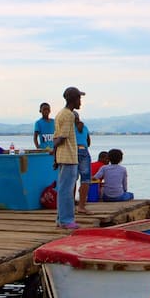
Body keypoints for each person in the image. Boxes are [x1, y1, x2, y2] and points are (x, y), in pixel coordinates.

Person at [53, 87, 84, 229]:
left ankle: (61, 219)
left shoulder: (60, 114)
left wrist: (55, 157)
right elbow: (62, 137)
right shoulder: (69, 115)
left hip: (62, 157)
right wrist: (53, 149)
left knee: (63, 189)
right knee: (67, 191)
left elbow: (56, 136)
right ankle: (66, 220)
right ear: (73, 99)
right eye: (79, 99)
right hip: (69, 157)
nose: (80, 102)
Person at [74, 112, 91, 214]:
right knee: (85, 180)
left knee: (72, 179)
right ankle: (81, 206)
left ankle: (71, 205)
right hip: (83, 150)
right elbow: (88, 142)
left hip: (72, 151)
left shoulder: (69, 127)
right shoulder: (84, 127)